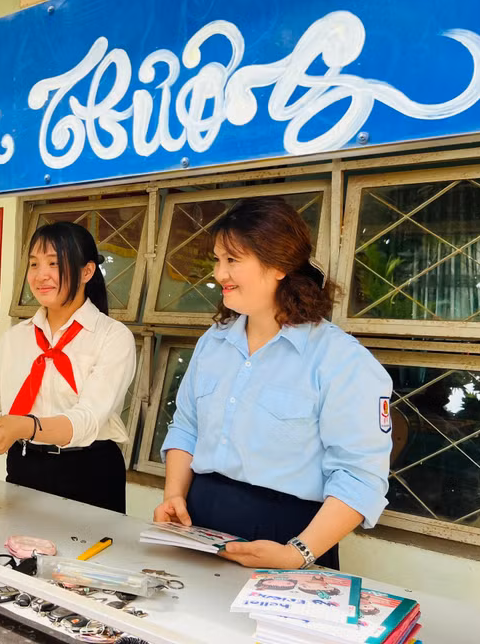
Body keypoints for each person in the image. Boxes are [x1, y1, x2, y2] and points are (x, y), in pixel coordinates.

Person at [153, 197, 393, 570]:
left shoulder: (341, 360)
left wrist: (298, 553)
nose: (219, 274)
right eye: (217, 260)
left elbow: (360, 477)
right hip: (198, 527)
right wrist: (174, 495)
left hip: (288, 537)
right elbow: (187, 427)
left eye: (233, 260)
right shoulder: (214, 342)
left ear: (279, 264)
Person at [0, 221, 136, 513]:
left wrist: (25, 426)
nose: (40, 275)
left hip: (89, 470)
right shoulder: (16, 338)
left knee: (87, 544)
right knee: (17, 540)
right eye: (34, 264)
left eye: (54, 263)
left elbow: (88, 420)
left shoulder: (112, 337)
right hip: (25, 463)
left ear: (87, 272)